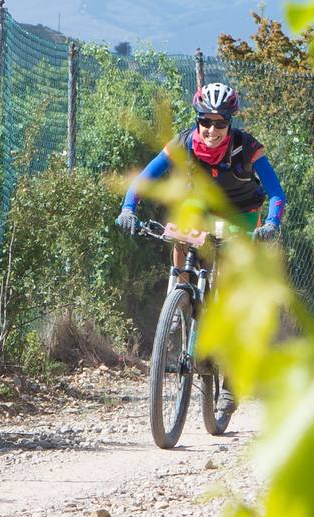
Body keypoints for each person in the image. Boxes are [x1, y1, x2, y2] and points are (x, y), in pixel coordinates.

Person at [115, 82, 287, 420]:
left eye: (220, 123)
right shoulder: (182, 143)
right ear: (197, 121)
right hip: (201, 206)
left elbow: (276, 193)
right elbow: (144, 178)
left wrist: (270, 224)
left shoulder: (248, 148)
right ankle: (182, 293)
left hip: (241, 212)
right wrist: (128, 208)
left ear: (230, 124)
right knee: (182, 229)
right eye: (205, 122)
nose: (212, 130)